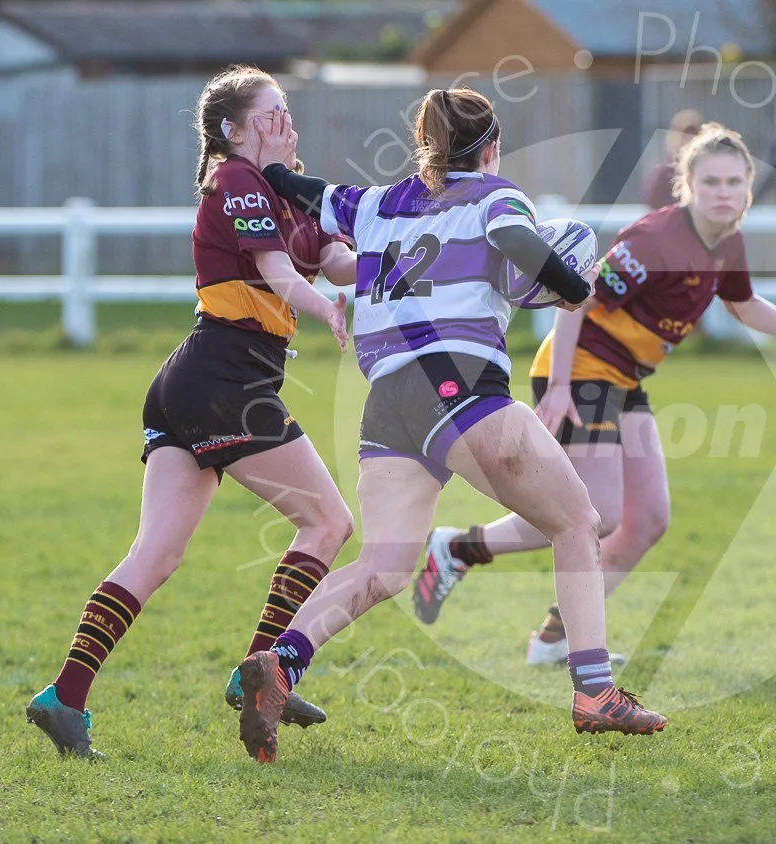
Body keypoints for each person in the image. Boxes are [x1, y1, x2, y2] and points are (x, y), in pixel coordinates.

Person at [233, 87, 668, 763]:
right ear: (491, 147)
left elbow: (305, 190)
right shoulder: (496, 197)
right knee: (578, 523)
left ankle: (281, 661)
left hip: (388, 403)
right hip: (459, 386)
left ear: (424, 143)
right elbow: (520, 244)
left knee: (383, 566)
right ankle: (595, 694)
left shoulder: (374, 203)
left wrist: (262, 165)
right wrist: (575, 283)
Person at [409, 124, 776, 665]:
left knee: (647, 521)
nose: (724, 192)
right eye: (711, 181)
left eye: (734, 182)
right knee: (598, 514)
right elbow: (580, 298)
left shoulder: (727, 240)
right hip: (582, 368)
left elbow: (743, 303)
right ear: (686, 184)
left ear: (749, 187)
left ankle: (553, 638)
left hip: (623, 377)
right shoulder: (655, 241)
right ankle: (457, 549)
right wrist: (562, 387)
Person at [24, 66, 358, 759]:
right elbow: (280, 274)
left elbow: (339, 260)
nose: (284, 123)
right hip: (222, 382)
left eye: (286, 111)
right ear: (233, 133)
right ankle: (260, 670)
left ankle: (65, 698)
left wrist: (399, 250)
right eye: (268, 116)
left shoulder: (291, 191)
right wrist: (326, 307)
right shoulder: (235, 180)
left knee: (158, 553)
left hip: (200, 381)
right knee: (328, 521)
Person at [639, 108, 703, 209]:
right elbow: (652, 200)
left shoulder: (708, 168)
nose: (689, 139)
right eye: (685, 134)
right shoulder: (666, 172)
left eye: (694, 134)